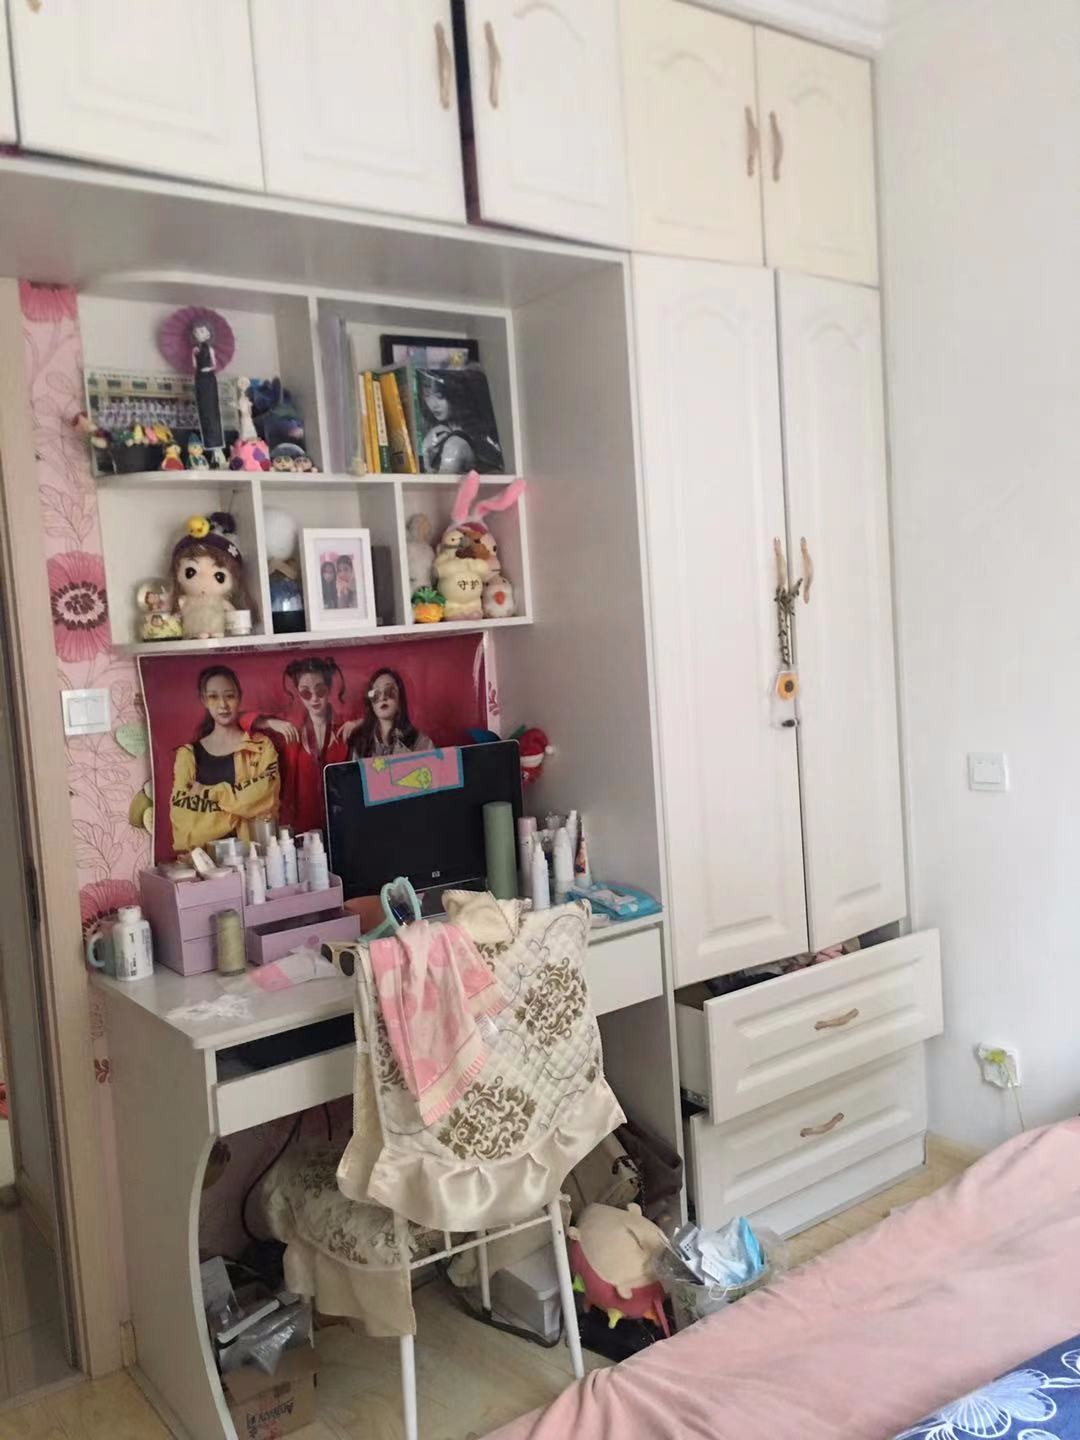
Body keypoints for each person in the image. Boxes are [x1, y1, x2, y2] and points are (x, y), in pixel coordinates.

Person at [170, 666, 280, 854]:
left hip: (254, 858)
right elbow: (184, 821)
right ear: (204, 700)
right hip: (206, 863)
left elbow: (266, 798)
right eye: (213, 697)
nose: (223, 705)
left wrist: (208, 794)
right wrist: (241, 806)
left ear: (239, 697)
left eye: (229, 696)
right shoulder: (188, 754)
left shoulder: (261, 746)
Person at [254, 657, 350, 835]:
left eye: (320, 690)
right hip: (302, 829)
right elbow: (240, 720)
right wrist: (270, 722)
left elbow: (377, 716)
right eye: (306, 693)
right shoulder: (292, 730)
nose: (314, 699)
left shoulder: (344, 727)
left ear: (329, 689)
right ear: (298, 694)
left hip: (342, 825)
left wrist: (359, 723)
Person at [349, 667, 433, 759]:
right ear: (372, 705)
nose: (382, 698)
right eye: (376, 694)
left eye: (389, 691)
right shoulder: (361, 742)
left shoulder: (420, 743)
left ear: (400, 701)